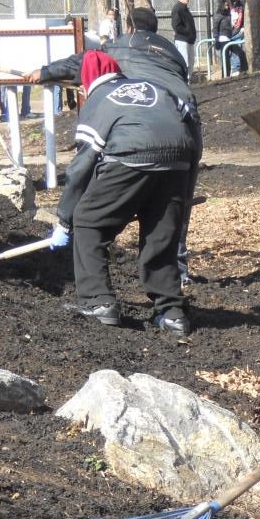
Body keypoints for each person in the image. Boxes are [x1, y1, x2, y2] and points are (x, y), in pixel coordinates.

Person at [43, 49, 200, 336]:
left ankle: (97, 301)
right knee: (160, 235)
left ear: (88, 80)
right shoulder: (155, 87)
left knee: (89, 221)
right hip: (179, 158)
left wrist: (65, 219)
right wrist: (186, 187)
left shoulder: (99, 100)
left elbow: (82, 166)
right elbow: (189, 123)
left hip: (131, 157)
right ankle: (172, 312)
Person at [171, 0, 197, 76]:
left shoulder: (185, 9)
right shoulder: (177, 9)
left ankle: (188, 81)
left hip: (189, 40)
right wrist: (187, 32)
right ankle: (183, 81)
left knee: (191, 61)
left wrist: (191, 35)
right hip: (182, 40)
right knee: (185, 62)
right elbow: (176, 25)